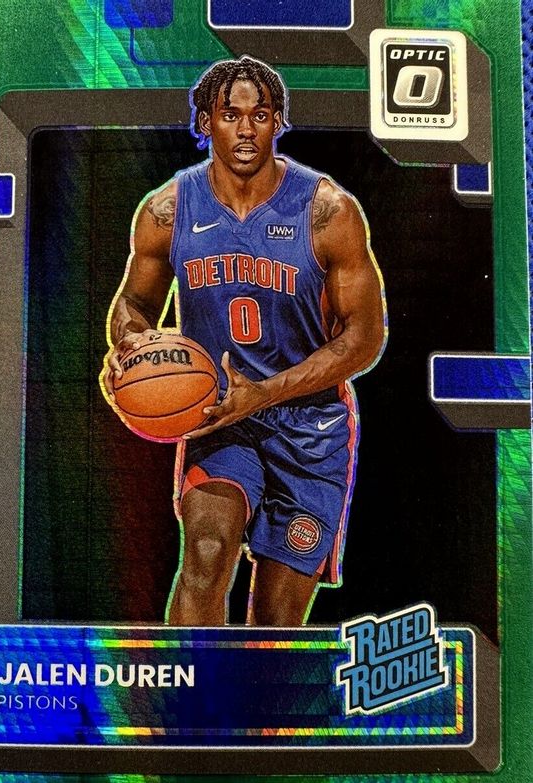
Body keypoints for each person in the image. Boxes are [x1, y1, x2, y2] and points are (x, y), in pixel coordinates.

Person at [103, 56, 387, 626]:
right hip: (218, 416)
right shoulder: (167, 210)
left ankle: (255, 689)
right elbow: (133, 303)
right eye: (230, 115)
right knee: (207, 553)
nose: (246, 129)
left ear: (277, 121)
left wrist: (264, 393)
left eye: (260, 115)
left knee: (276, 620)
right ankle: (185, 684)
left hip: (310, 426)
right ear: (205, 122)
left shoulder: (328, 211)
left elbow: (364, 337)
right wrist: (132, 343)